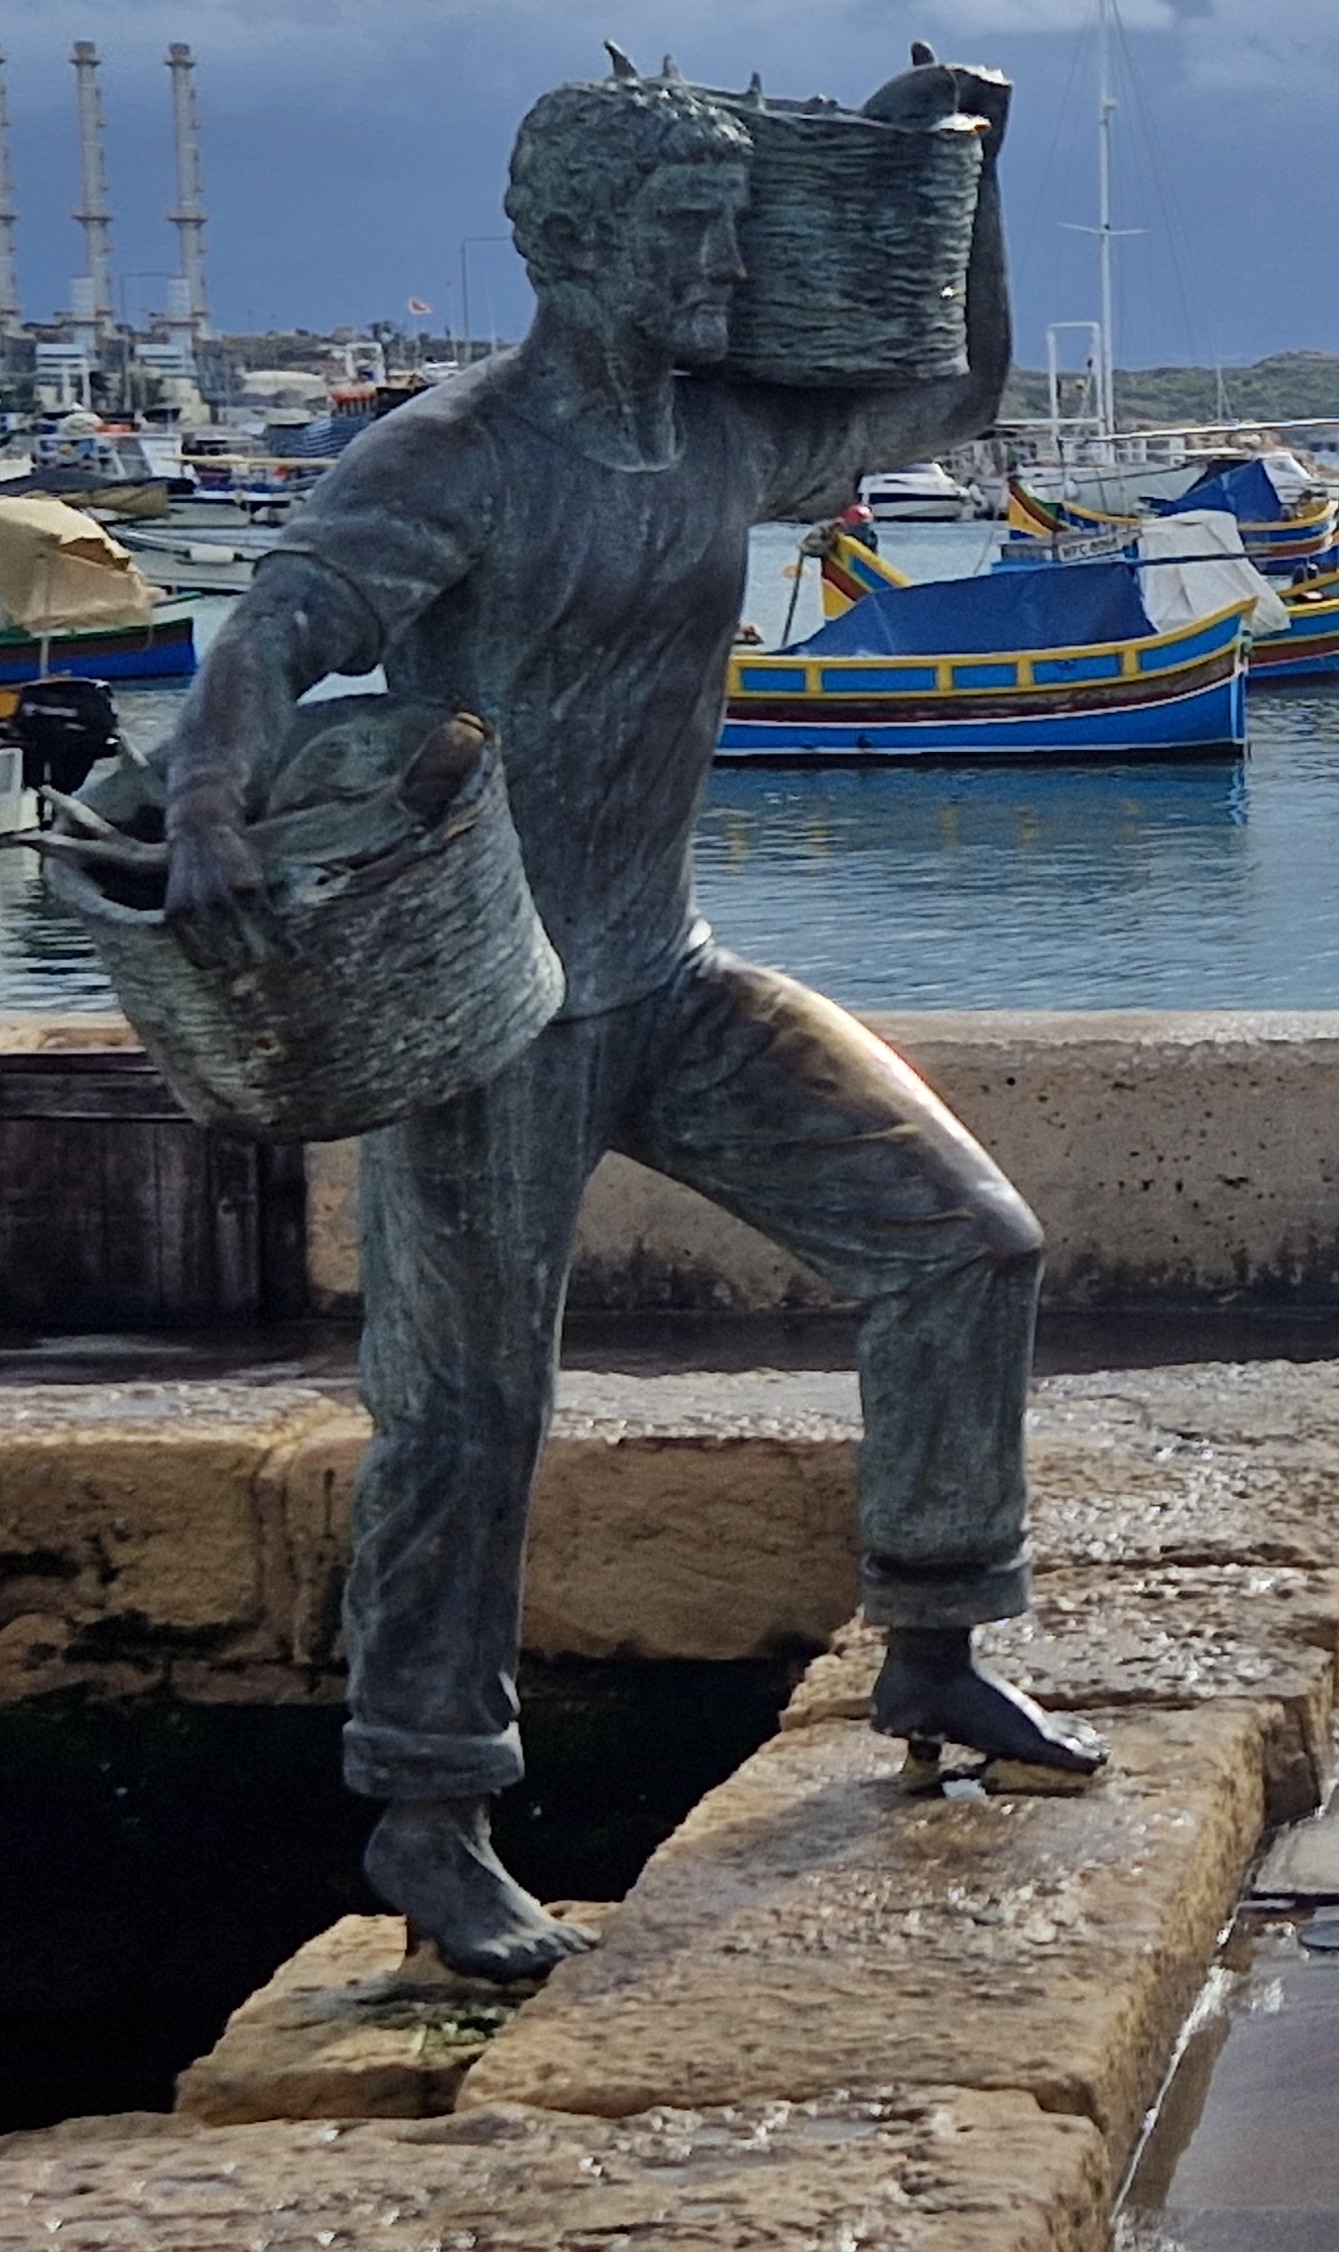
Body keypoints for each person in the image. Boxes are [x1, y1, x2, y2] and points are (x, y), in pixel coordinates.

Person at [155, 53, 1096, 1983]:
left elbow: (956, 394)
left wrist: (966, 181)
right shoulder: (456, 455)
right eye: (690, 231)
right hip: (488, 1007)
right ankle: (428, 1816)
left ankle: (935, 1645)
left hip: (666, 975)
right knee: (466, 1411)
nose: (727, 268)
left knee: (964, 1242)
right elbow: (281, 626)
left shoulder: (727, 435)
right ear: (573, 244)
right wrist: (204, 797)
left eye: (736, 229)